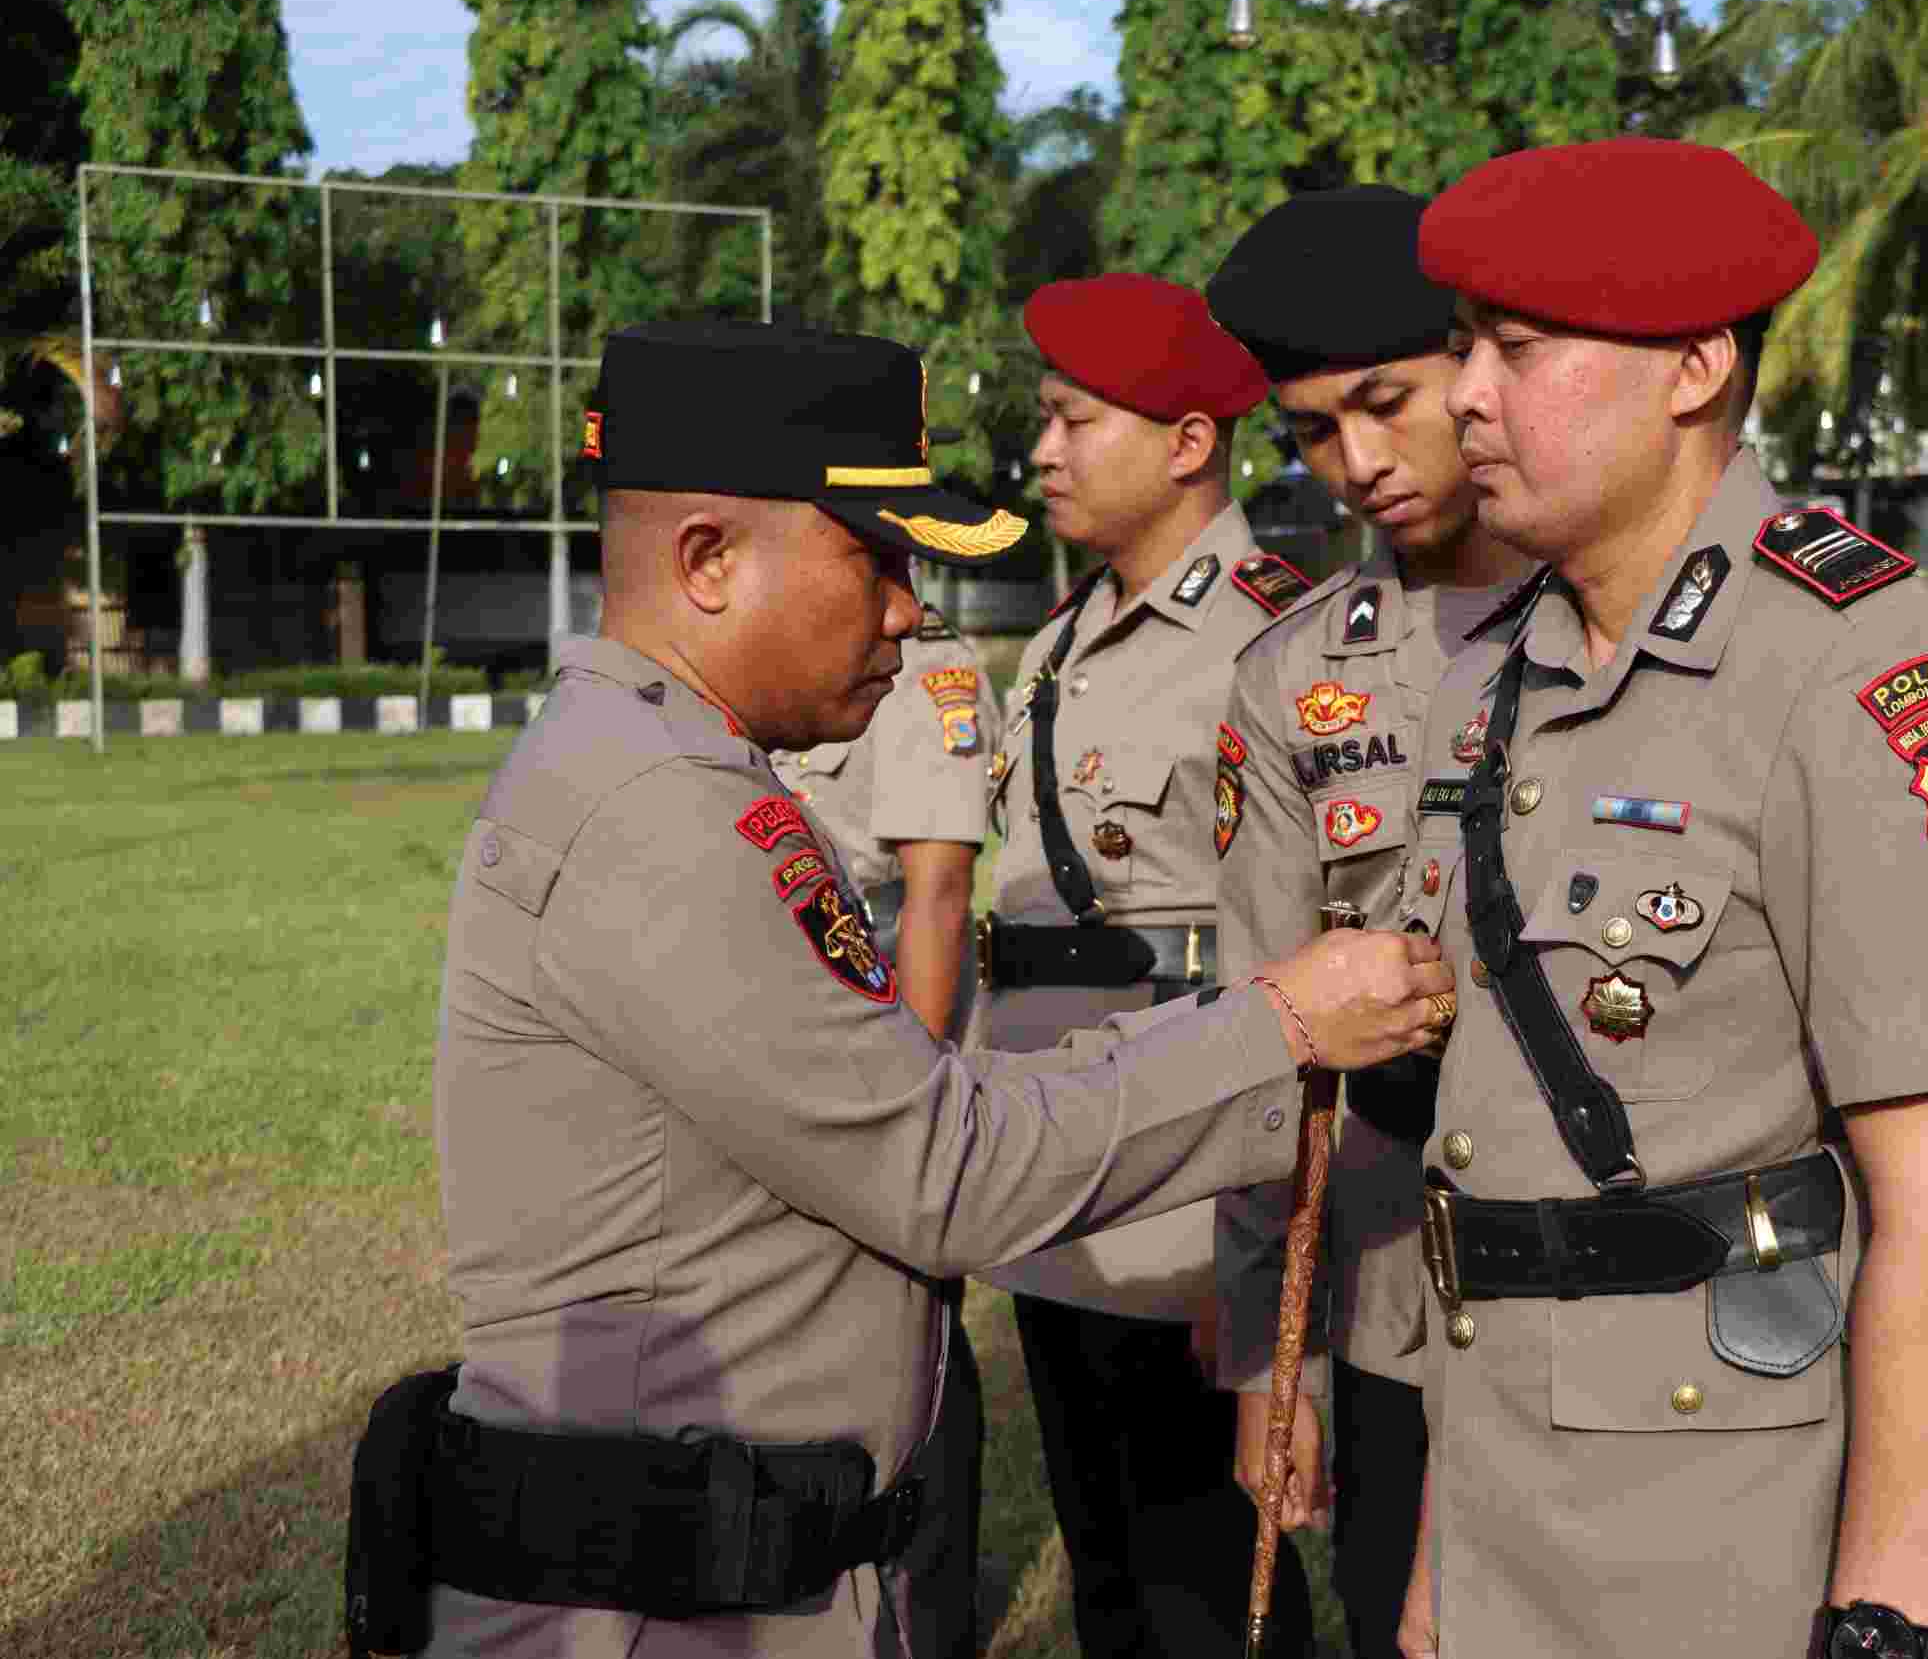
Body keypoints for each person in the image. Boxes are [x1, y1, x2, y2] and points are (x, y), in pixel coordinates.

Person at [353, 320, 1454, 1659]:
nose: (907, 609)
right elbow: (942, 1164)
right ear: (707, 559)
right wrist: (1275, 1029)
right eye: (873, 559)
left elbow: (916, 1099)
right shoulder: (656, 811)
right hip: (660, 1604)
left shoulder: (666, 765)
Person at [1398, 137, 1928, 1659]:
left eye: (1521, 349)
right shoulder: (1489, 682)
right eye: (1463, 348)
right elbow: (1484, 1159)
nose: (1466, 395)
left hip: (1739, 1519)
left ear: (1693, 366)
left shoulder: (1863, 666)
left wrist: (1883, 1617)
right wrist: (1439, 1569)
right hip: (1505, 1492)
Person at [1202, 185, 1536, 1659]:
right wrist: (1268, 1369)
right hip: (1406, 1298)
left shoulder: (1626, 621)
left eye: (1385, 404)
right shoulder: (1294, 678)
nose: (1358, 464)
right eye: (1312, 432)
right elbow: (1263, 1060)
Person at [973, 274, 1326, 1659]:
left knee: (1209, 1592)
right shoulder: (1057, 645)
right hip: (1052, 1187)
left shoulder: (1278, 633)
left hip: (1189, 1196)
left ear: (1189, 442)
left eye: (1073, 422)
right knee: (1109, 1577)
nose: (1041, 451)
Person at [775, 610, 992, 1659]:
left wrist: (902, 1107)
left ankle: (924, 1615)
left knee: (909, 1358)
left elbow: (938, 894)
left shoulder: (921, 661)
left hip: (869, 1051)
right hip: (775, 1059)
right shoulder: (776, 644)